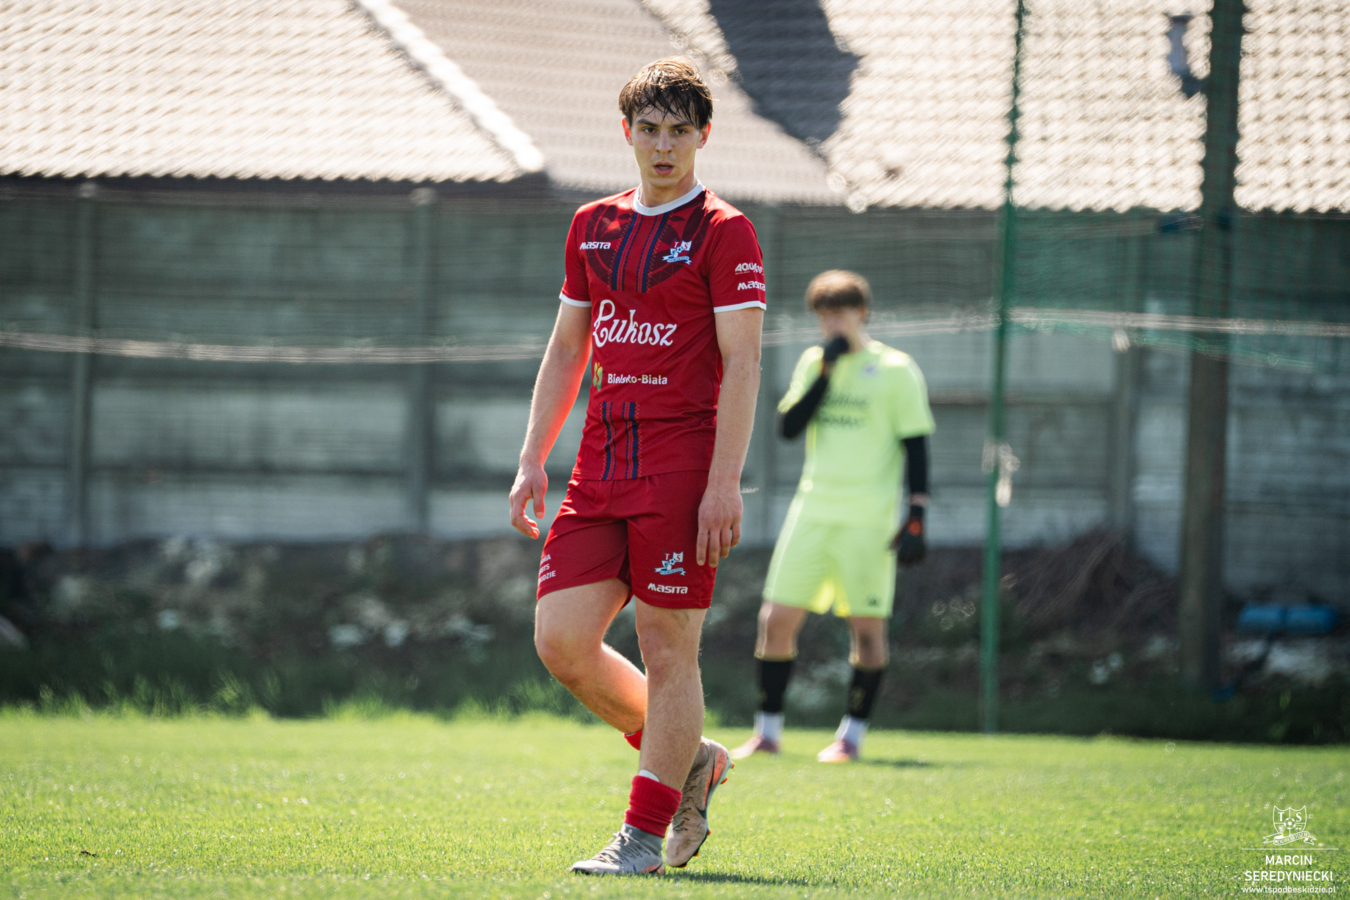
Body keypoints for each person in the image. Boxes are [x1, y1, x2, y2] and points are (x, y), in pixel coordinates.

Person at [508, 57, 765, 875]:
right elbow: (568, 348)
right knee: (561, 642)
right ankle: (691, 760)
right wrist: (531, 457)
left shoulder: (724, 231)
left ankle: (644, 836)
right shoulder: (592, 225)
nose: (663, 146)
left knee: (668, 648)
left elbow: (744, 362)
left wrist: (723, 483)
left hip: (682, 471)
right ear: (626, 132)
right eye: (649, 130)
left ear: (703, 136)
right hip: (599, 468)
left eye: (679, 131)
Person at [731, 270, 933, 764]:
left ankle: (851, 737)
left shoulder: (896, 369)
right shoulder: (814, 362)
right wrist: (825, 371)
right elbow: (788, 428)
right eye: (824, 315)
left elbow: (916, 447)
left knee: (866, 631)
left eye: (840, 312)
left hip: (868, 520)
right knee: (775, 620)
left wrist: (916, 516)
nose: (832, 323)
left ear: (862, 313)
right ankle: (767, 733)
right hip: (812, 511)